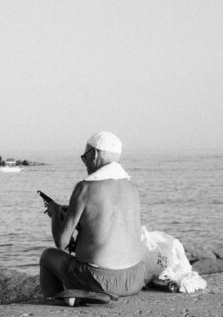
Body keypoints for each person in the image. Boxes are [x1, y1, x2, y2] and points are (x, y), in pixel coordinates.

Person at [39, 131, 152, 306]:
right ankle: (86, 294)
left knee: (47, 257)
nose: (84, 163)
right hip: (135, 278)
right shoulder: (132, 188)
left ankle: (54, 304)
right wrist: (71, 214)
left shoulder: (85, 188)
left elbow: (62, 243)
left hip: (100, 279)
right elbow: (107, 226)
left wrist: (55, 214)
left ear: (95, 154)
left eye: (85, 157)